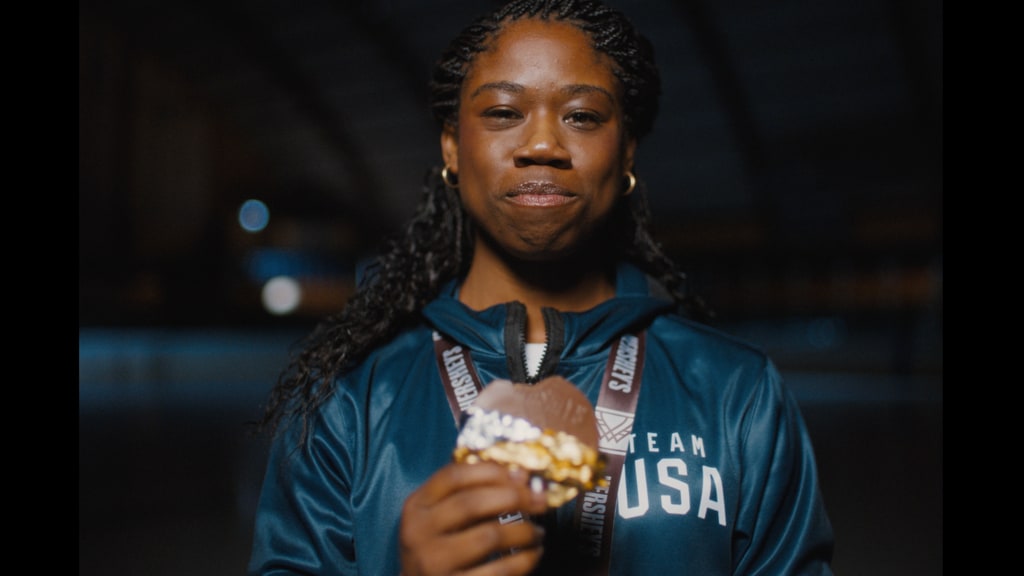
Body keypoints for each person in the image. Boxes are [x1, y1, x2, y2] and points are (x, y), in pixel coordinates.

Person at [247, 0, 835, 574]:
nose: (543, 146)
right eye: (503, 113)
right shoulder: (348, 401)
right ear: (452, 146)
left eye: (582, 116)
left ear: (626, 148)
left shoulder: (736, 393)